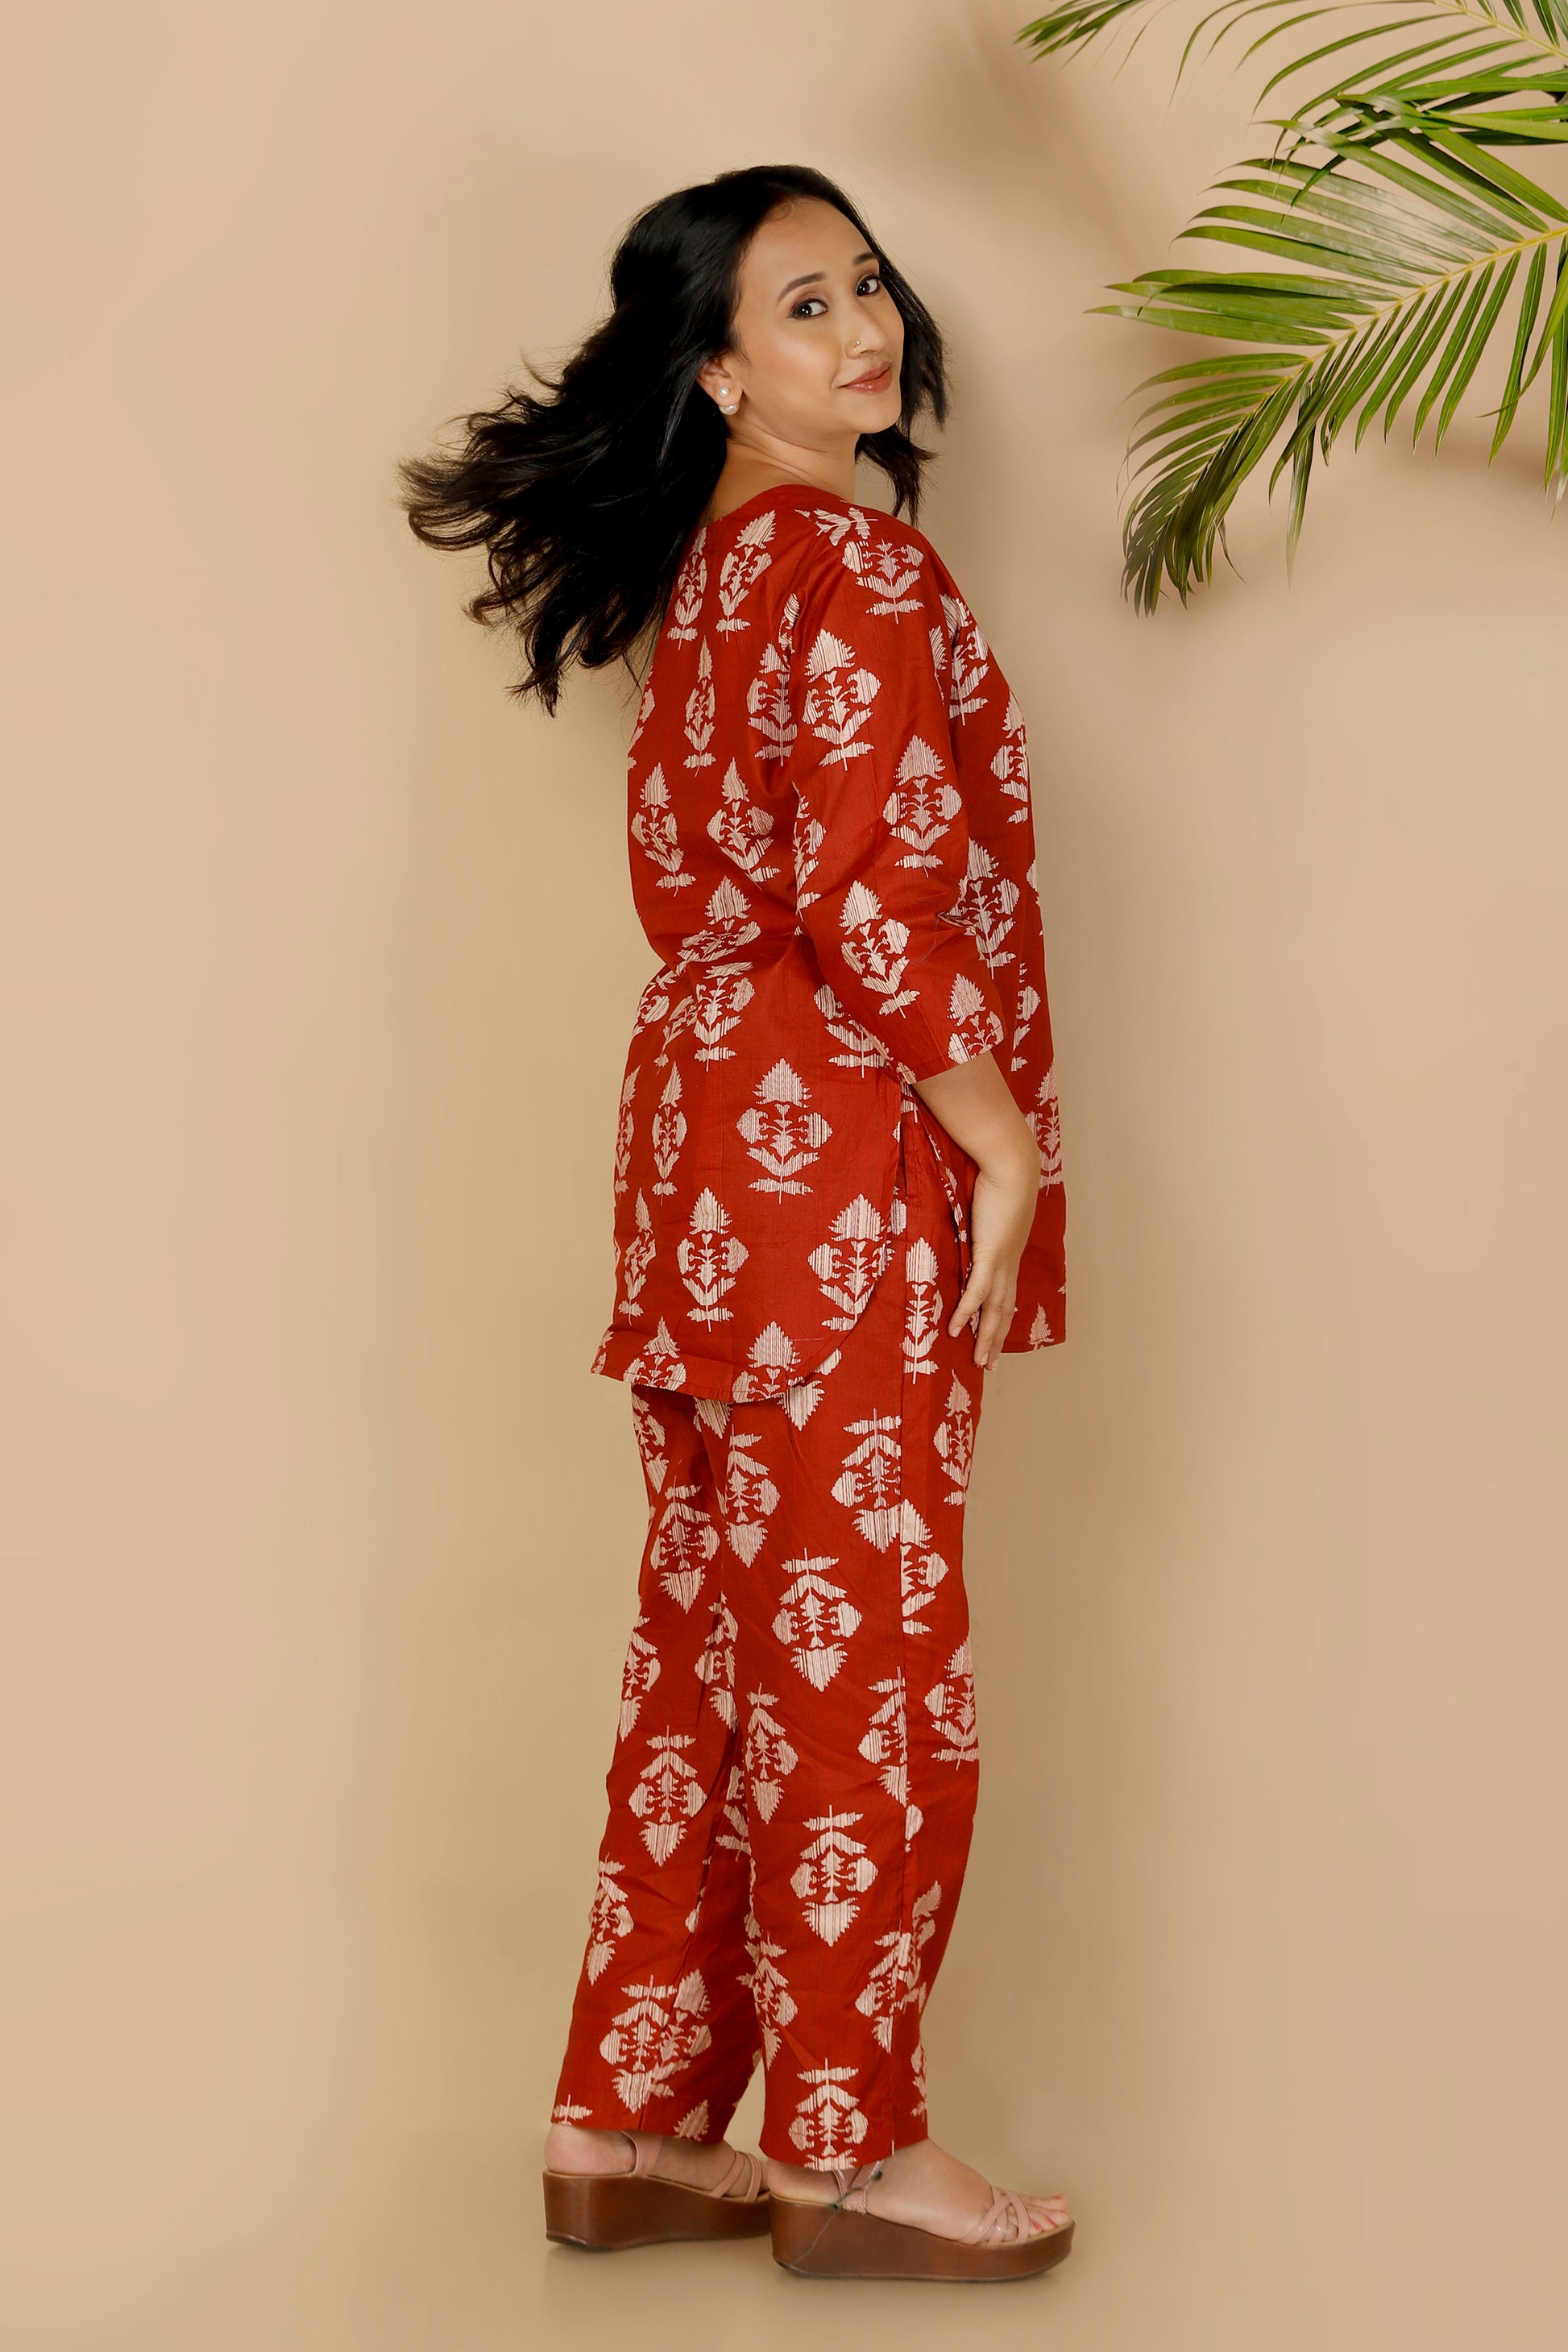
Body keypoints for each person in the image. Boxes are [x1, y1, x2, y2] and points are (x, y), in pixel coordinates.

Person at [400, 163, 1072, 2286]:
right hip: (833, 1151)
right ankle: (850, 2152)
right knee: (858, 1655)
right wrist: (998, 1139)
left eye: (865, 284)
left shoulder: (717, 585)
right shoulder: (854, 574)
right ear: (717, 367)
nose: (862, 326)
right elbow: (873, 887)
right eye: (802, 305)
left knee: (713, 1640)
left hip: (696, 1157)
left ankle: (623, 2120)